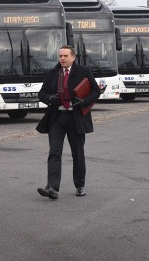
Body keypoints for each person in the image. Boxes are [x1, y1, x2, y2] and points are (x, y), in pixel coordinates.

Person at [35, 45, 101, 199]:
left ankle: (80, 185)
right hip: (56, 118)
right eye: (60, 56)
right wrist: (49, 99)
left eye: (65, 56)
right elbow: (42, 93)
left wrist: (84, 101)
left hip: (75, 118)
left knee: (77, 153)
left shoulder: (84, 72)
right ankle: (52, 187)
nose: (62, 59)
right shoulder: (52, 73)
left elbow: (96, 91)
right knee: (54, 152)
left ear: (73, 57)